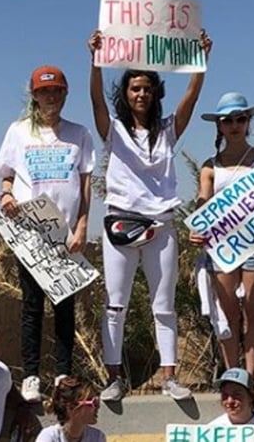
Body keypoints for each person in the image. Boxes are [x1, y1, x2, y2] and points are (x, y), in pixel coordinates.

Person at [88, 29, 212, 401]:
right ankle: (113, 377)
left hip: (161, 225)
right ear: (125, 94)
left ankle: (169, 377)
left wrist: (201, 64)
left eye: (146, 88)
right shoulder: (114, 131)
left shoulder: (167, 131)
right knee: (116, 302)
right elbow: (95, 100)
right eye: (134, 88)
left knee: (164, 304)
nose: (140, 94)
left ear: (155, 93)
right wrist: (94, 61)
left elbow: (191, 99)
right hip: (121, 224)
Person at [0, 65, 96, 402]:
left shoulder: (79, 134)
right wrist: (6, 194)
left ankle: (64, 372)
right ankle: (32, 376)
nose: (51, 97)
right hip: (30, 234)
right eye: (44, 91)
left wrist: (81, 226)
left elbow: (86, 183)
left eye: (56, 91)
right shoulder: (19, 131)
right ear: (34, 95)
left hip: (63, 233)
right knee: (31, 307)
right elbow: (6, 173)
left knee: (65, 304)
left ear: (65, 95)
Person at [189, 91, 254, 376]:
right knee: (228, 313)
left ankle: (248, 375)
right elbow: (203, 200)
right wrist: (197, 227)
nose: (234, 125)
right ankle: (231, 374)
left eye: (240, 119)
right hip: (223, 245)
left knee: (252, 310)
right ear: (220, 126)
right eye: (228, 120)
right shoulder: (210, 166)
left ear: (248, 122)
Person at [37, 376, 106, 442]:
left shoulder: (97, 437)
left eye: (97, 400)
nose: (98, 406)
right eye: (93, 402)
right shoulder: (49, 437)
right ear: (71, 407)